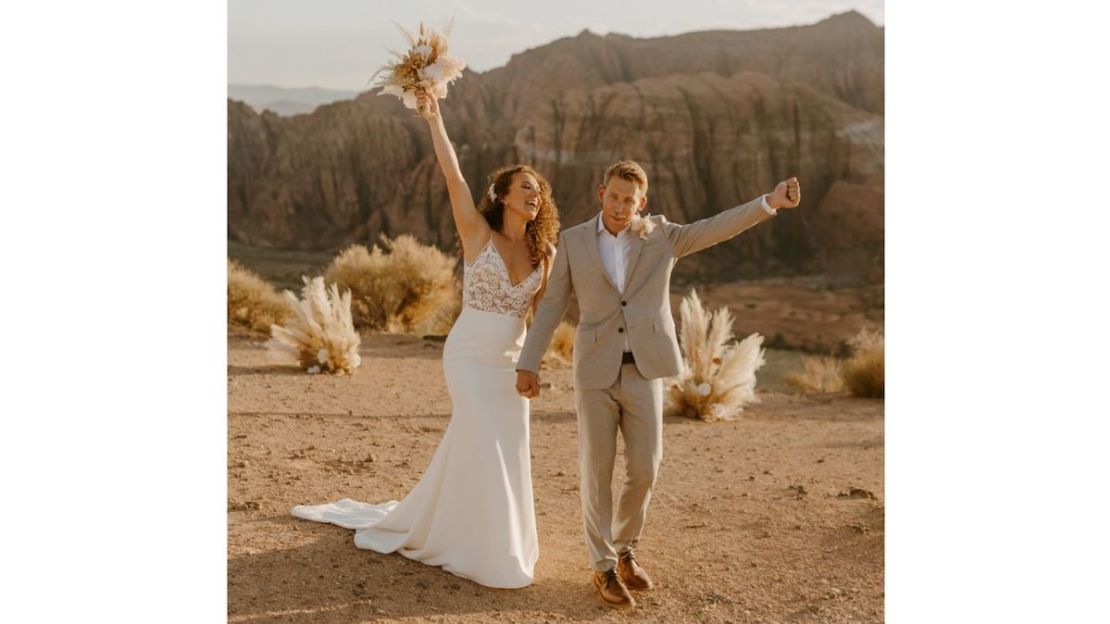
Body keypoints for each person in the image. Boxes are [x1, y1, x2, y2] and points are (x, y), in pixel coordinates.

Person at [290, 90, 560, 589]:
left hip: (510, 363)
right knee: (480, 433)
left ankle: (480, 533)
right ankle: (484, 551)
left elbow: (540, 316)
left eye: (538, 191)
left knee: (503, 446)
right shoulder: (477, 233)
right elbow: (453, 175)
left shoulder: (545, 254)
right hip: (469, 357)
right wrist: (434, 118)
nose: (534, 195)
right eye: (525, 187)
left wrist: (533, 365)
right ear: (503, 195)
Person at [515, 160, 801, 607]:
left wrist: (770, 202)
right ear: (600, 192)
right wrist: (528, 362)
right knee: (597, 470)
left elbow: (717, 226)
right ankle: (603, 566)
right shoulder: (571, 242)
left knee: (646, 468)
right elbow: (551, 306)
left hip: (645, 368)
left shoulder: (663, 235)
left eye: (629, 200)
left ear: (641, 203)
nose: (620, 206)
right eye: (613, 196)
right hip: (594, 371)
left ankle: (624, 546)